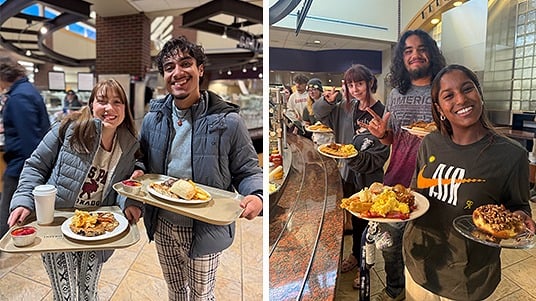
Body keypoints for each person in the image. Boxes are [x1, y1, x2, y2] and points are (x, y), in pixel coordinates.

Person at [133, 36, 263, 301]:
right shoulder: (152, 119)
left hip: (204, 227)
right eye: (169, 67)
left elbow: (248, 170)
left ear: (200, 69)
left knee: (202, 294)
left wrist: (257, 195)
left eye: (185, 63)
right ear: (164, 75)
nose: (177, 72)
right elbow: (140, 161)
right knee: (175, 290)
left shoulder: (228, 121)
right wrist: (136, 175)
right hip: (163, 224)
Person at [404, 64, 536, 300]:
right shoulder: (430, 143)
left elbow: (519, 204)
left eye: (468, 89)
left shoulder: (511, 155)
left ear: (479, 94)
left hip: (467, 278)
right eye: (449, 95)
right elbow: (415, 196)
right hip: (419, 262)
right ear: (439, 108)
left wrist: (520, 216)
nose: (461, 99)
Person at [7, 78, 143, 300]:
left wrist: (132, 202)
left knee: (88, 291)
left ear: (125, 109)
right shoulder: (69, 129)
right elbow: (36, 165)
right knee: (66, 294)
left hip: (98, 227)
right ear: (91, 105)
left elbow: (129, 183)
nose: (110, 108)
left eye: (117, 102)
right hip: (59, 223)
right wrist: (23, 200)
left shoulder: (130, 145)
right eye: (102, 101)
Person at [363, 29, 446, 301]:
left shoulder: (444, 89)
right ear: (402, 58)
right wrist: (381, 134)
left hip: (434, 183)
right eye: (408, 50)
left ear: (431, 53)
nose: (415, 55)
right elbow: (392, 137)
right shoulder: (397, 93)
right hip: (397, 179)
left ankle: (425, 292)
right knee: (390, 246)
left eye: (421, 48)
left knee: (428, 246)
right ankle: (395, 291)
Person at [314, 64, 389, 288]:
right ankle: (356, 256)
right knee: (355, 222)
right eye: (351, 84)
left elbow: (379, 155)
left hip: (369, 180)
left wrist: (352, 157)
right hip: (348, 175)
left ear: (369, 83)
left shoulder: (381, 112)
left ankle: (366, 266)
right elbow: (319, 113)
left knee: (368, 225)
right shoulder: (346, 108)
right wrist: (327, 100)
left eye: (359, 83)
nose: (355, 89)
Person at [0, 55, 50, 239]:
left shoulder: (19, 97)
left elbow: (28, 140)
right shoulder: (28, 91)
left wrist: (31, 172)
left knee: (8, 212)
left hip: (20, 166)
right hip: (25, 163)